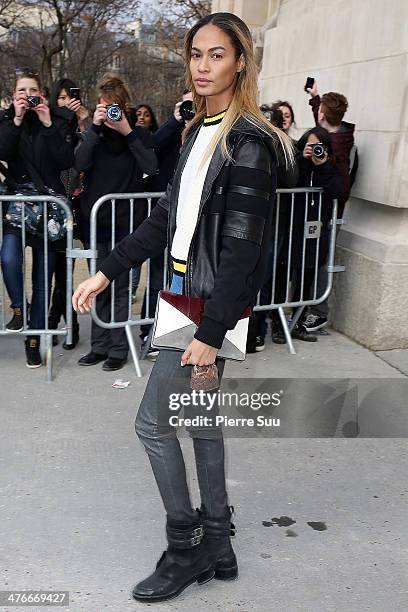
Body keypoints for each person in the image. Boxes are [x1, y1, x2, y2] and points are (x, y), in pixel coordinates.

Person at [73, 11, 294, 602]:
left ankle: (186, 545)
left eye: (217, 55)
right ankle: (218, 542)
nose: (203, 66)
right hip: (179, 298)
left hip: (207, 307)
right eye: (196, 54)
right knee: (199, 422)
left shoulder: (250, 143)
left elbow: (243, 251)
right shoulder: (199, 130)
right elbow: (166, 221)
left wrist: (211, 330)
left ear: (241, 62)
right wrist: (105, 270)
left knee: (152, 424)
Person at [75, 73, 157, 372]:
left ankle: (118, 350)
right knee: (98, 286)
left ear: (124, 108)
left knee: (121, 287)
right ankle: (99, 346)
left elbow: (150, 166)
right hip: (97, 222)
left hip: (126, 224)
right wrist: (94, 127)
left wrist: (127, 131)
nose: (109, 113)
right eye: (104, 108)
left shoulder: (138, 135)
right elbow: (80, 163)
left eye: (114, 108)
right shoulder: (93, 135)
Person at [0, 69, 75, 367]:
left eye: (32, 90)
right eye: (22, 91)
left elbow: (66, 163)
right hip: (19, 203)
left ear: (41, 94)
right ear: (15, 94)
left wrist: (47, 123)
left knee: (43, 278)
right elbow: (3, 153)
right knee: (8, 257)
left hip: (49, 207)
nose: (27, 95)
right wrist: (17, 119)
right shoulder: (7, 120)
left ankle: (34, 340)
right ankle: (19, 307)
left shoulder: (57, 121)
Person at [139, 91, 193, 357]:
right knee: (159, 276)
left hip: (193, 219)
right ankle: (150, 332)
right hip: (166, 213)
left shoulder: (208, 131)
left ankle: (181, 333)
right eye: (187, 103)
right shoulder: (171, 131)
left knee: (187, 279)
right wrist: (175, 120)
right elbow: (151, 147)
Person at [302, 81, 356, 332]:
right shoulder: (338, 135)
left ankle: (319, 311)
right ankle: (307, 306)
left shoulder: (339, 147)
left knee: (322, 261)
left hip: (329, 215)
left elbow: (341, 189)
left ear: (323, 115)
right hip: (318, 213)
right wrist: (315, 98)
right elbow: (322, 123)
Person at [288, 126, 344, 341]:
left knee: (306, 280)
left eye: (319, 147)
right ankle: (276, 323)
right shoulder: (297, 162)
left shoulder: (330, 168)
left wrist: (323, 167)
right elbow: (290, 181)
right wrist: (303, 159)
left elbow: (337, 191)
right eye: (311, 146)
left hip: (314, 234)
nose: (315, 151)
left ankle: (297, 323)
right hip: (291, 230)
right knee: (282, 279)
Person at [47, 78, 90, 350]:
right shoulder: (49, 128)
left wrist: (84, 121)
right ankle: (60, 322)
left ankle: (60, 322)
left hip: (78, 208)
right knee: (55, 270)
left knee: (66, 270)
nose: (65, 103)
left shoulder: (82, 128)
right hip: (52, 207)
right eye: (60, 99)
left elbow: (87, 158)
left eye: (69, 98)